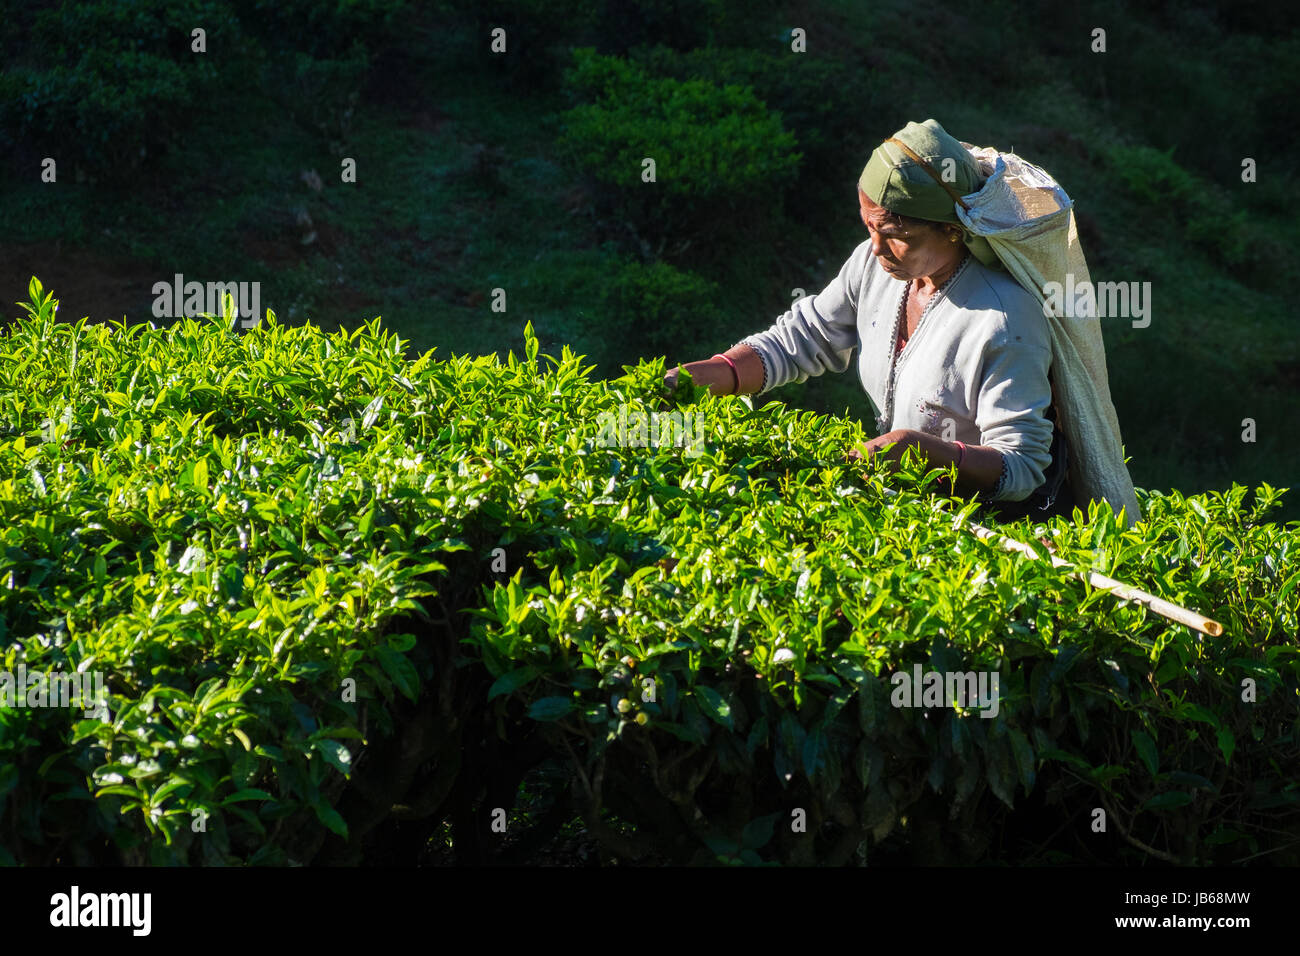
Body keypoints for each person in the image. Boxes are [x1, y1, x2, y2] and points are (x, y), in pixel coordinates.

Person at [665, 119, 1080, 522]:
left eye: (897, 236)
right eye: (869, 227)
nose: (876, 249)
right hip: (907, 508)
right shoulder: (874, 265)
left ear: (953, 230)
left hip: (981, 526)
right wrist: (702, 377)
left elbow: (1021, 466)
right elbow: (804, 337)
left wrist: (917, 451)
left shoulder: (1004, 320)